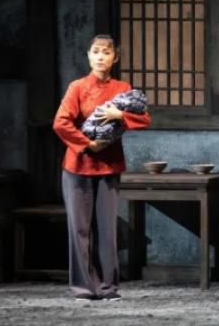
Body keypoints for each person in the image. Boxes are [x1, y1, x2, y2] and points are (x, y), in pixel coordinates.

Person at [53, 34, 151, 301]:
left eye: (106, 52)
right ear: (88, 55)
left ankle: (108, 288)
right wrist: (88, 144)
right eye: (96, 51)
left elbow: (144, 119)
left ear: (115, 58)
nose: (100, 57)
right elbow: (61, 122)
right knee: (80, 230)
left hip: (108, 167)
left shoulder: (122, 87)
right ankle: (83, 289)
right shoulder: (77, 87)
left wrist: (121, 115)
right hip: (77, 166)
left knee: (107, 230)